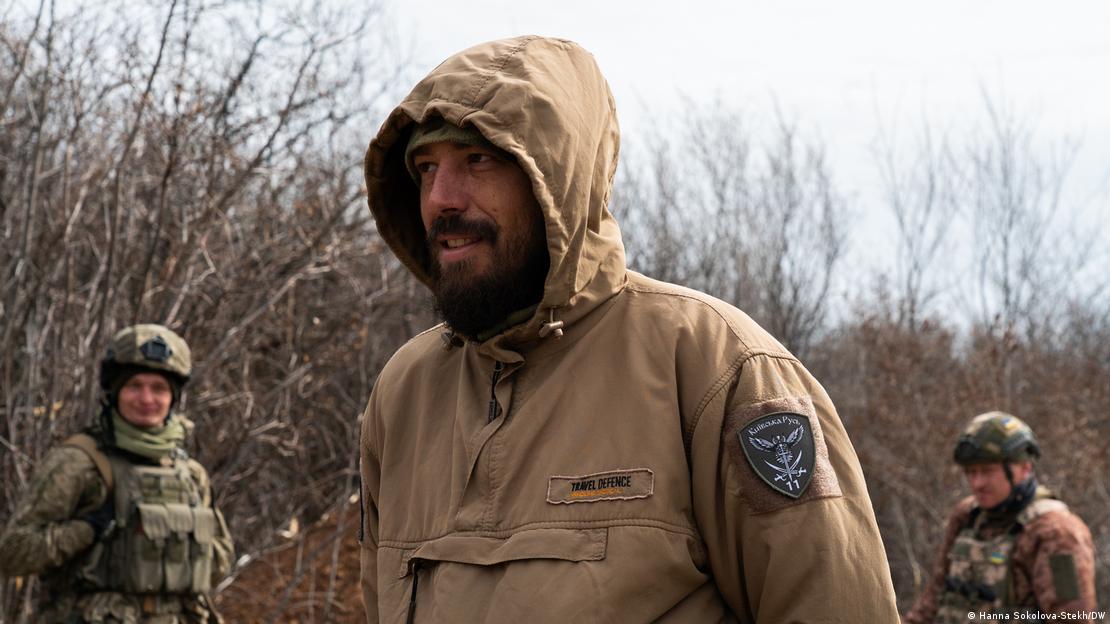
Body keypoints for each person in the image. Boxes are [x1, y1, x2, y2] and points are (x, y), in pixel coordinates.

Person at [358, 35, 899, 623]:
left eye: (477, 160)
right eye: (426, 168)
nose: (441, 199)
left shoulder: (715, 367)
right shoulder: (405, 393)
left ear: (557, 178)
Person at [0, 324, 234, 623]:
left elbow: (221, 561)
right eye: (134, 385)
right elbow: (13, 553)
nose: (146, 399)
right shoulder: (79, 462)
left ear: (173, 397)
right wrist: (86, 530)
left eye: (159, 388)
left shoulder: (190, 474)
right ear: (115, 391)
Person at [903, 411, 1098, 623]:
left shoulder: (1056, 532)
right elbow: (933, 601)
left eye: (988, 471)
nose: (977, 483)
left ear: (1024, 468)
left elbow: (1073, 618)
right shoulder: (968, 516)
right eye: (971, 472)